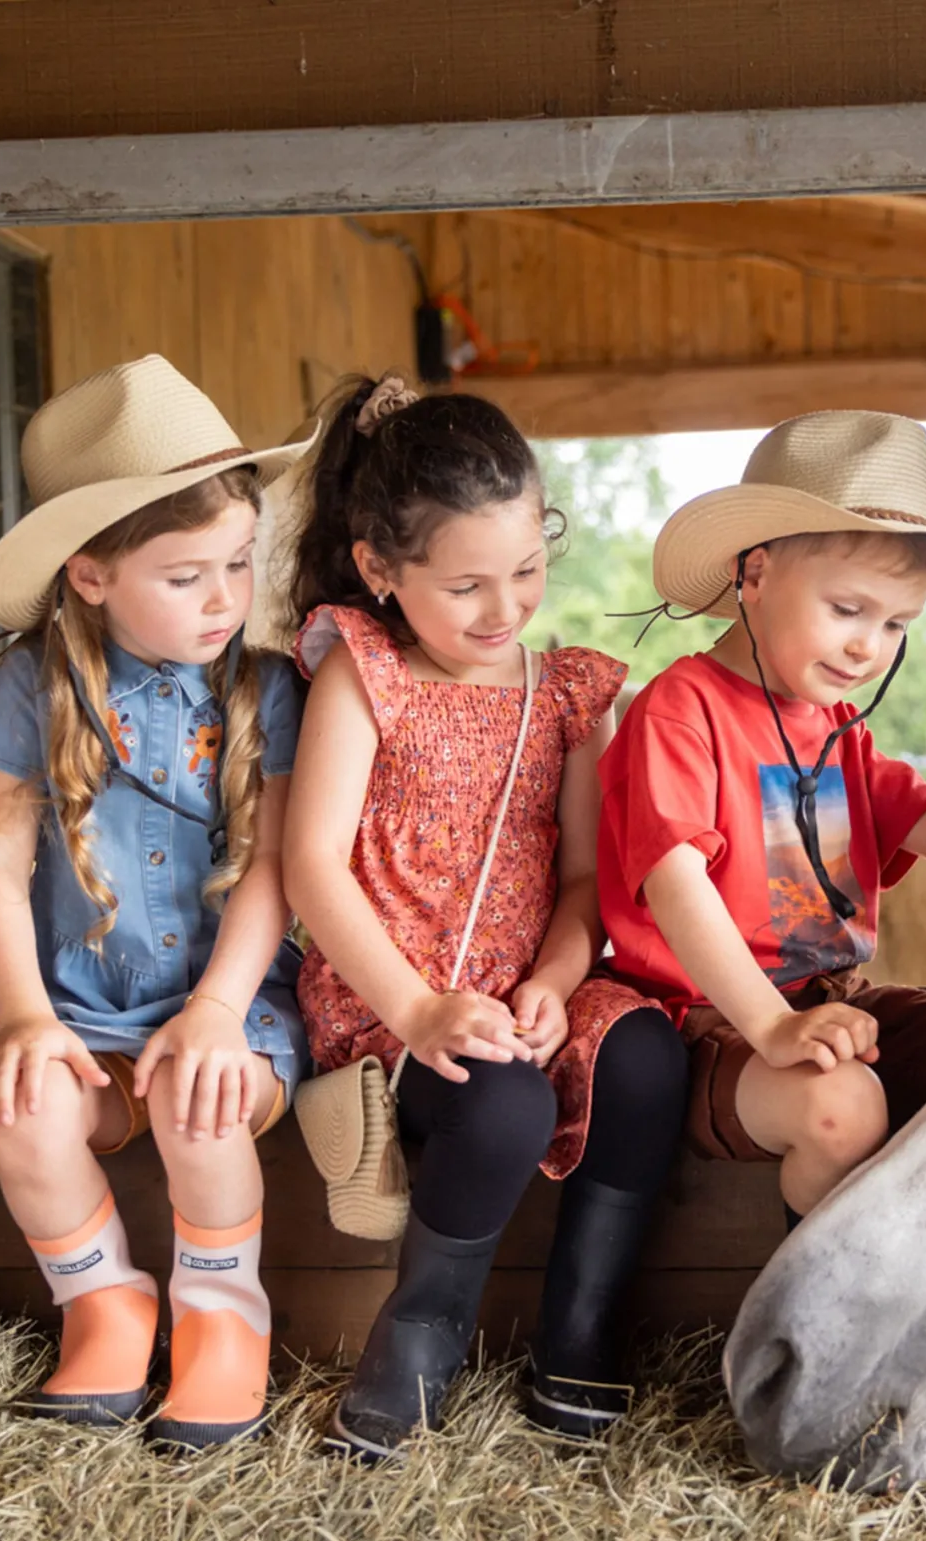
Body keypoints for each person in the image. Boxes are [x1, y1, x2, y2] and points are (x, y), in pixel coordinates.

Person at [282, 377, 688, 1460]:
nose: (503, 609)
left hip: (525, 981)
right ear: (380, 570)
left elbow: (578, 883)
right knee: (498, 1099)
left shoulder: (565, 695)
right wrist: (418, 1011)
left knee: (644, 1056)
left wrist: (555, 983)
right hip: (393, 992)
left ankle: (580, 1325)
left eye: (525, 571)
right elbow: (312, 866)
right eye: (464, 585)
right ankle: (421, 1330)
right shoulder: (363, 676)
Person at [599, 410, 926, 1220]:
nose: (870, 645)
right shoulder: (680, 710)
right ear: (755, 574)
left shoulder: (839, 732)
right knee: (844, 1110)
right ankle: (821, 1329)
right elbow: (675, 884)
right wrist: (770, 1028)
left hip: (833, 1002)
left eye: (896, 623)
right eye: (848, 609)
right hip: (708, 1029)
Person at [0, 355, 311, 1448]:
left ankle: (220, 1319)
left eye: (239, 565)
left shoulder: (267, 688)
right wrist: (24, 1019)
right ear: (92, 575)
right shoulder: (36, 685)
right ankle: (105, 1302)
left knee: (198, 1103)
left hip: (227, 1008)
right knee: (23, 1107)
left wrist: (214, 1009)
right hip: (77, 1008)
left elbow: (272, 869)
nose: (223, 599)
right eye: (186, 574)